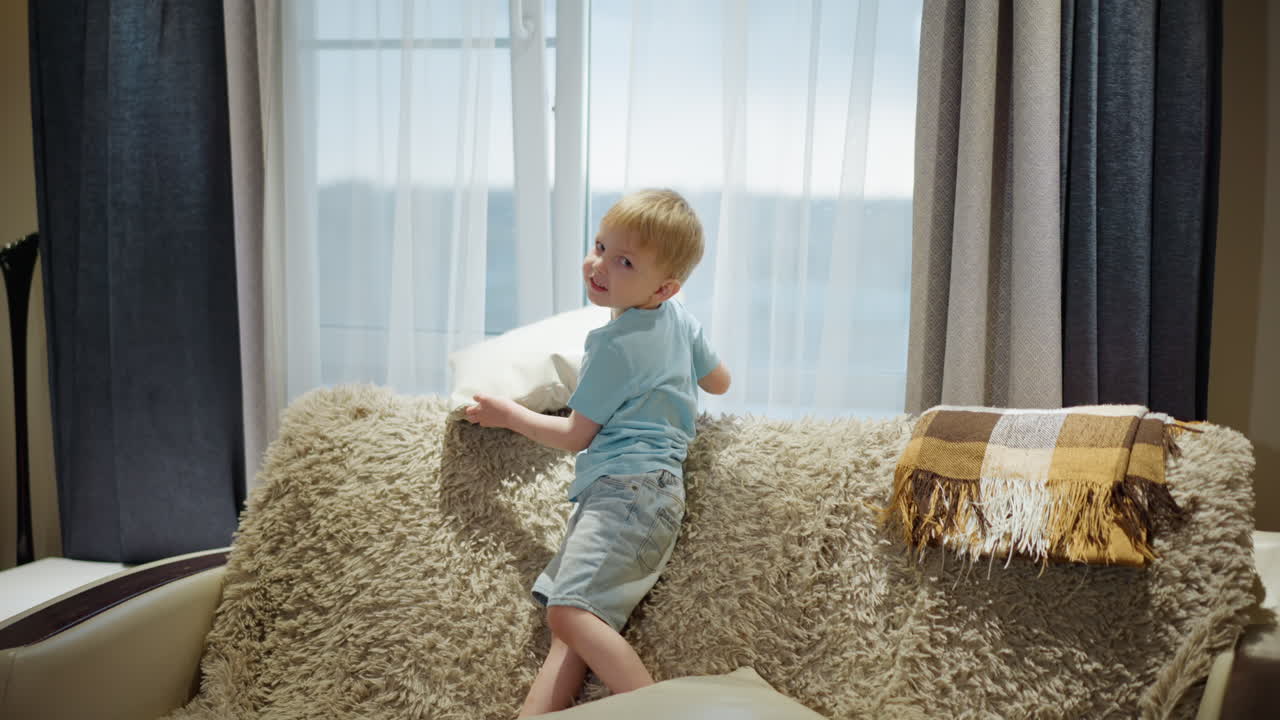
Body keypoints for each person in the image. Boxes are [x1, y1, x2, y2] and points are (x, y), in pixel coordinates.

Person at [465, 188, 731, 716]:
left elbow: (573, 435)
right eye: (600, 245)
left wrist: (507, 415)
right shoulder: (680, 318)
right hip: (650, 492)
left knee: (567, 614)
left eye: (623, 260)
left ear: (664, 284)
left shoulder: (611, 347)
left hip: (625, 492)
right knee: (574, 630)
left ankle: (664, 712)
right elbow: (719, 382)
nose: (599, 265)